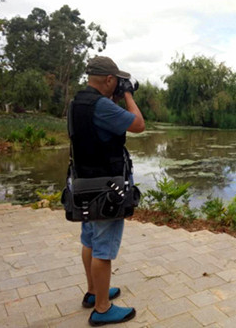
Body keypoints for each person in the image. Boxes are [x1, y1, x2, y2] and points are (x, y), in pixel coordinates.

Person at [68, 56, 145, 326]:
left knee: (89, 239)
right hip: (106, 188)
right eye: (117, 81)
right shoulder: (103, 106)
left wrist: (115, 94)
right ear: (109, 80)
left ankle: (93, 292)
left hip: (84, 183)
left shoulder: (77, 102)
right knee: (103, 248)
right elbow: (138, 124)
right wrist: (127, 95)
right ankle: (102, 308)